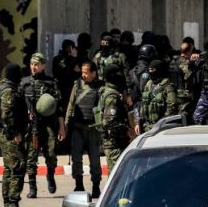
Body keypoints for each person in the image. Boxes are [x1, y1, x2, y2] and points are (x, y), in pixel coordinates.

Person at [23, 53, 65, 198]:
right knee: (31, 157)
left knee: (51, 154)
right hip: (31, 125)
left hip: (48, 124)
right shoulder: (24, 83)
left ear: (43, 65)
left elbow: (59, 107)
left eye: (36, 64)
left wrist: (61, 126)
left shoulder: (51, 83)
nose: (33, 67)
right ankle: (32, 186)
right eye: (32, 64)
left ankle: (50, 175)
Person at [0, 64, 31, 207]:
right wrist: (15, 133)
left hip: (5, 133)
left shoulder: (4, 86)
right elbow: (7, 114)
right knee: (18, 167)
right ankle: (13, 206)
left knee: (9, 169)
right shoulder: (8, 90)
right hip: (9, 134)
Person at [64, 62, 103, 196]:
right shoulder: (77, 85)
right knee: (76, 158)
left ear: (94, 73)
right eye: (82, 72)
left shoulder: (100, 87)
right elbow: (71, 104)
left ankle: (96, 186)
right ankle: (79, 185)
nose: (83, 75)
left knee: (95, 160)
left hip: (93, 129)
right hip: (78, 128)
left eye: (86, 72)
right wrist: (66, 124)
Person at [97, 65, 130, 173]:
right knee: (117, 174)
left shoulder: (108, 91)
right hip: (114, 142)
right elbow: (109, 122)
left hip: (114, 141)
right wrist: (126, 128)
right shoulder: (112, 96)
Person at [138, 60, 178, 132]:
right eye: (149, 70)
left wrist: (161, 124)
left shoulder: (167, 86)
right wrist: (139, 122)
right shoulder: (148, 84)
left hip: (161, 128)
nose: (150, 72)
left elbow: (171, 107)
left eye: (153, 70)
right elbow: (143, 104)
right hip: (146, 127)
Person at [52, 39, 81, 115]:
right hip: (62, 90)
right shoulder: (58, 59)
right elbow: (65, 72)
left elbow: (79, 73)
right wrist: (74, 59)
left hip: (73, 89)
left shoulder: (75, 59)